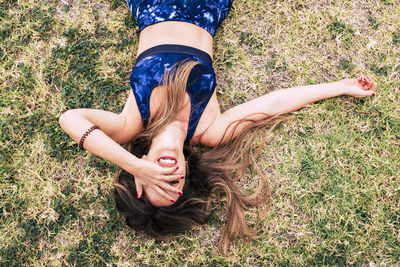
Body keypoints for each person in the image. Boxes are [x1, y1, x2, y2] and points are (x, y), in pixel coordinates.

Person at [59, 0, 377, 252]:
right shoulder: (209, 129)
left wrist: (131, 164)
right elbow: (272, 104)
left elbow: (70, 119)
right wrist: (340, 87)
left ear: (139, 173)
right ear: (187, 178)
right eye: (173, 187)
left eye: (154, 182)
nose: (164, 176)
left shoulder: (132, 123)